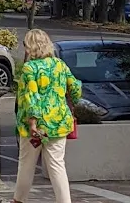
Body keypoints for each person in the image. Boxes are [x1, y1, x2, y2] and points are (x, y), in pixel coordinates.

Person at [12, 28, 82, 203]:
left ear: (30, 47)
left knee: (26, 165)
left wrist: (33, 122)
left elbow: (31, 96)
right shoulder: (59, 64)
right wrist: (73, 101)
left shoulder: (29, 68)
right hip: (58, 123)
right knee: (57, 166)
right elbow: (75, 88)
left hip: (33, 126)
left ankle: (19, 200)